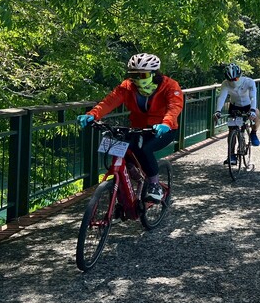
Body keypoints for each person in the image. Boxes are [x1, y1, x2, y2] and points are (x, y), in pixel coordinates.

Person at [77, 53, 183, 202]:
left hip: (164, 129)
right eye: (134, 75)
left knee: (144, 149)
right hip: (137, 128)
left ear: (154, 73)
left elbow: (174, 107)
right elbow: (109, 101)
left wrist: (166, 123)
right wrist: (93, 114)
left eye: (143, 74)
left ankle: (154, 184)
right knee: (119, 146)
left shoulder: (170, 86)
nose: (138, 78)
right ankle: (132, 177)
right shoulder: (127, 86)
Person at [214, 63, 260, 164]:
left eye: (235, 79)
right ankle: (231, 155)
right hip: (234, 106)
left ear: (240, 76)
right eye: (230, 80)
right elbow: (222, 97)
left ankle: (253, 133)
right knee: (232, 130)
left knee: (256, 113)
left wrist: (252, 110)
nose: (233, 82)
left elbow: (253, 97)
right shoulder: (225, 84)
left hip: (248, 105)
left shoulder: (249, 82)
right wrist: (218, 111)